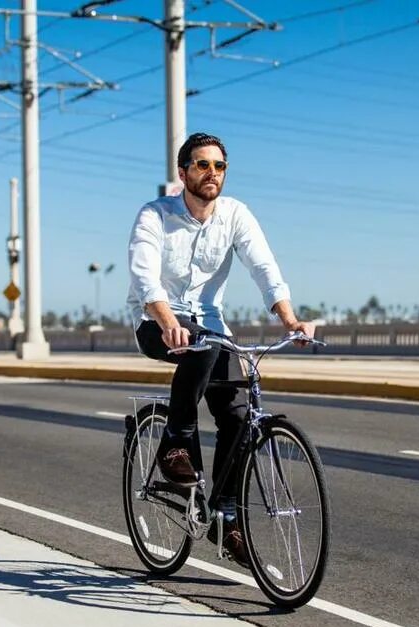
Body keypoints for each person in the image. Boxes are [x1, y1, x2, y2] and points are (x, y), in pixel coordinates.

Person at [127, 132, 315, 567]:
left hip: (211, 327)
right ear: (183, 173)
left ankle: (226, 518)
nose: (211, 173)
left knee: (238, 414)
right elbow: (143, 275)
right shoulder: (155, 215)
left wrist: (290, 320)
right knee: (201, 346)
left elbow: (264, 266)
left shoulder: (235, 215)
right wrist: (169, 322)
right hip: (157, 323)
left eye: (219, 166)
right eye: (201, 165)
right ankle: (175, 443)